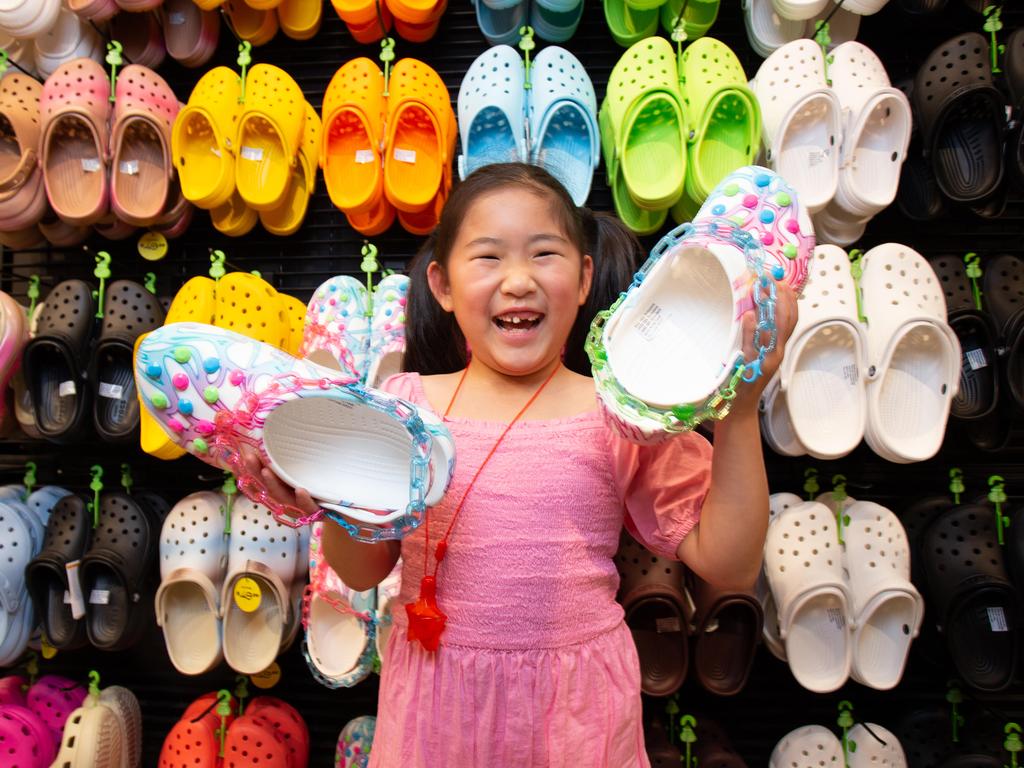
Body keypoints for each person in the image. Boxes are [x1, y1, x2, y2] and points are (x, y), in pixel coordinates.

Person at [244, 162, 797, 767]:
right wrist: (333, 499)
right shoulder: (402, 406)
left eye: (544, 254)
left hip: (575, 720)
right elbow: (361, 572)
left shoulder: (621, 413)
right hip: (437, 713)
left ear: (584, 277)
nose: (517, 282)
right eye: (487, 258)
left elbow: (731, 564)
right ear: (443, 285)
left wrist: (740, 413)